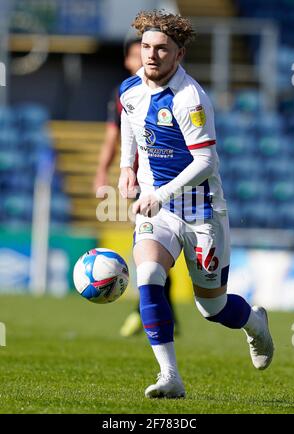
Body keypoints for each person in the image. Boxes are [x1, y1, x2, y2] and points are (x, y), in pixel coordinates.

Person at [118, 10, 274, 399]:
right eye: (146, 47)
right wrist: (126, 169)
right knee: (150, 272)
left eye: (161, 49)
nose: (151, 56)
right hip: (162, 213)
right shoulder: (129, 90)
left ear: (179, 54)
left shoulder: (190, 99)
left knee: (213, 309)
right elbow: (130, 123)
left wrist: (159, 193)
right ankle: (170, 376)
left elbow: (207, 162)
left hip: (203, 213)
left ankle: (254, 323)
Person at [94, 35, 178, 337]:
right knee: (150, 251)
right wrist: (107, 170)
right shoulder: (124, 94)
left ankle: (150, 313)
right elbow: (113, 137)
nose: (145, 58)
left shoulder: (173, 93)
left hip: (169, 182)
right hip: (139, 183)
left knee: (155, 251)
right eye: (138, 54)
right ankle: (157, 313)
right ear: (129, 60)